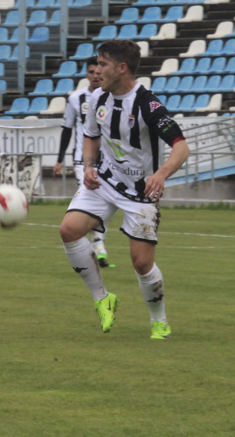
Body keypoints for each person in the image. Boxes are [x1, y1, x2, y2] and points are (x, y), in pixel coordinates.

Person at [58, 40, 190, 339]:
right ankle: (102, 298)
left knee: (142, 263)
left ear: (122, 68)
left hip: (141, 191)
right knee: (68, 230)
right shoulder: (96, 100)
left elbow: (182, 147)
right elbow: (91, 136)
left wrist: (162, 174)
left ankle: (159, 320)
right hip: (104, 181)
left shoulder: (148, 104)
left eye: (103, 65)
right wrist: (90, 166)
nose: (96, 71)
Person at [54, 57, 112, 267]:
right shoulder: (75, 99)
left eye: (99, 71)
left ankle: (97, 244)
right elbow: (67, 129)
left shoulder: (112, 97)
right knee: (94, 199)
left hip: (108, 163)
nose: (96, 75)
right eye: (91, 72)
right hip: (82, 162)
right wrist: (59, 160)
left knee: (103, 203)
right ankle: (98, 246)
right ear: (86, 74)